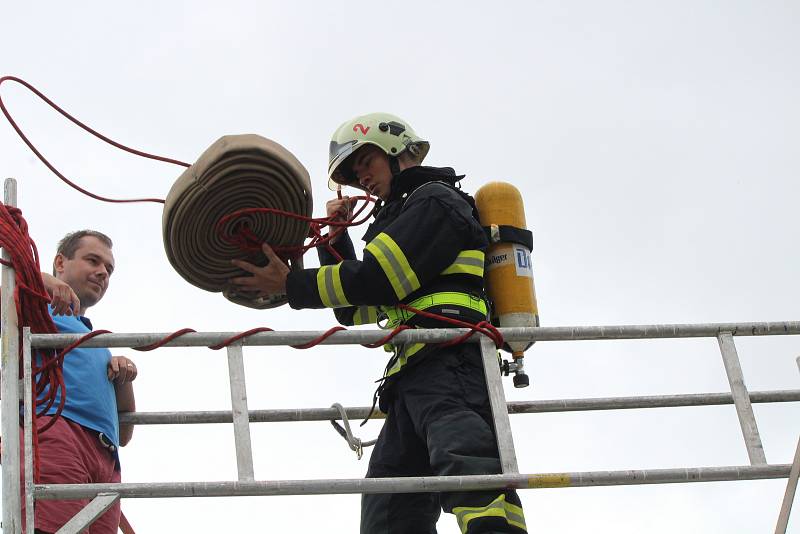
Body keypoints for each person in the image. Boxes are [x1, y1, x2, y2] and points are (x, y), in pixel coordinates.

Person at [232, 113, 527, 533]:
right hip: (412, 377)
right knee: (388, 508)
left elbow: (377, 278)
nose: (362, 178)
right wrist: (336, 239)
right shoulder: (404, 218)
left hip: (452, 363)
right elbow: (357, 309)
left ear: (394, 149)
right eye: (354, 174)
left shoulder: (435, 201)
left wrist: (292, 283)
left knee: (471, 473)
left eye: (365, 162)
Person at [6, 230, 137, 534]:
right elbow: (6, 292)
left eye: (109, 268)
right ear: (60, 263)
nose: (103, 272)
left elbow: (124, 433)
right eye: (93, 260)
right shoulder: (34, 307)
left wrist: (123, 377)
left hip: (105, 456)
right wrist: (42, 280)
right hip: (58, 433)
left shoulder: (96, 340)